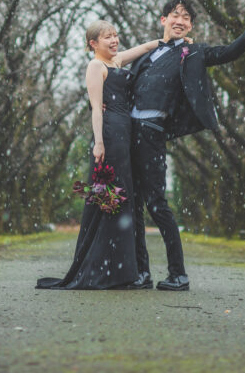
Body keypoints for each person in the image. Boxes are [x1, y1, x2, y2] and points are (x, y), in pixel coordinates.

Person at [130, 0, 245, 291]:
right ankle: (140, 273)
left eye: (186, 17)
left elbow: (230, 52)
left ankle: (178, 274)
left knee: (156, 204)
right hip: (127, 131)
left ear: (191, 25)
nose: (180, 20)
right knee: (131, 203)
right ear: (163, 20)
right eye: (175, 15)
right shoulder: (148, 52)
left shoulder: (193, 52)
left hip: (153, 130)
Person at [36, 20, 165, 290]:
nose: (115, 40)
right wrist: (98, 143)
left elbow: (142, 48)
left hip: (126, 131)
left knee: (121, 198)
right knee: (113, 199)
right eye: (108, 37)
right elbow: (96, 108)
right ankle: (110, 270)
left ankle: (121, 269)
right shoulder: (96, 66)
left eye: (116, 35)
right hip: (110, 134)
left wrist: (169, 42)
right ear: (93, 43)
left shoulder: (116, 62)